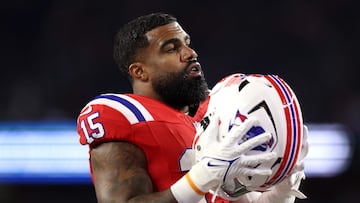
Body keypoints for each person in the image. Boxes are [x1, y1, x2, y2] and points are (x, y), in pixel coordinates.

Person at [76, 12, 307, 203]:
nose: (190, 53)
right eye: (171, 48)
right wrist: (200, 178)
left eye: (187, 44)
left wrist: (275, 197)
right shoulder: (125, 115)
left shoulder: (215, 111)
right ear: (139, 71)